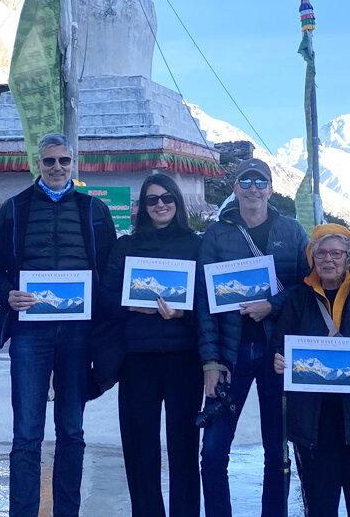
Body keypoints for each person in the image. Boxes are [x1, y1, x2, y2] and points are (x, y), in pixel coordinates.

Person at [0, 133, 117, 517]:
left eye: (64, 161)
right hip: (30, 333)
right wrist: (8, 293)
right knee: (26, 433)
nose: (57, 168)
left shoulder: (94, 210)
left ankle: (67, 512)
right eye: (50, 161)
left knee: (72, 431)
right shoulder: (16, 208)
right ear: (37, 164)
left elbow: (109, 270)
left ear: (74, 164)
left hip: (79, 334)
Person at [195, 158, 310, 517]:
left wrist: (272, 305)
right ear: (236, 188)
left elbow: (309, 288)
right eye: (246, 181)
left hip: (278, 354)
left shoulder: (291, 231)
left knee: (277, 451)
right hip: (231, 355)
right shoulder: (218, 233)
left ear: (271, 189)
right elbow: (204, 299)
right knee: (213, 451)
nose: (253, 188)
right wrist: (210, 361)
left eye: (260, 181)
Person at [272, 224, 350, 516]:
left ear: (349, 257)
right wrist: (278, 360)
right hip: (314, 418)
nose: (328, 259)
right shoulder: (298, 299)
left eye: (336, 253)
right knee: (319, 501)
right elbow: (279, 344)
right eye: (321, 253)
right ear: (312, 257)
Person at [96, 173, 203, 517]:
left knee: (184, 444)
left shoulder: (195, 245)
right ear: (142, 206)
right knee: (140, 446)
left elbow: (206, 302)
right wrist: (131, 304)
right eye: (152, 199)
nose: (160, 205)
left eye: (167, 198)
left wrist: (183, 313)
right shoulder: (126, 246)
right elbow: (105, 297)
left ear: (177, 202)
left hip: (183, 357)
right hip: (137, 358)